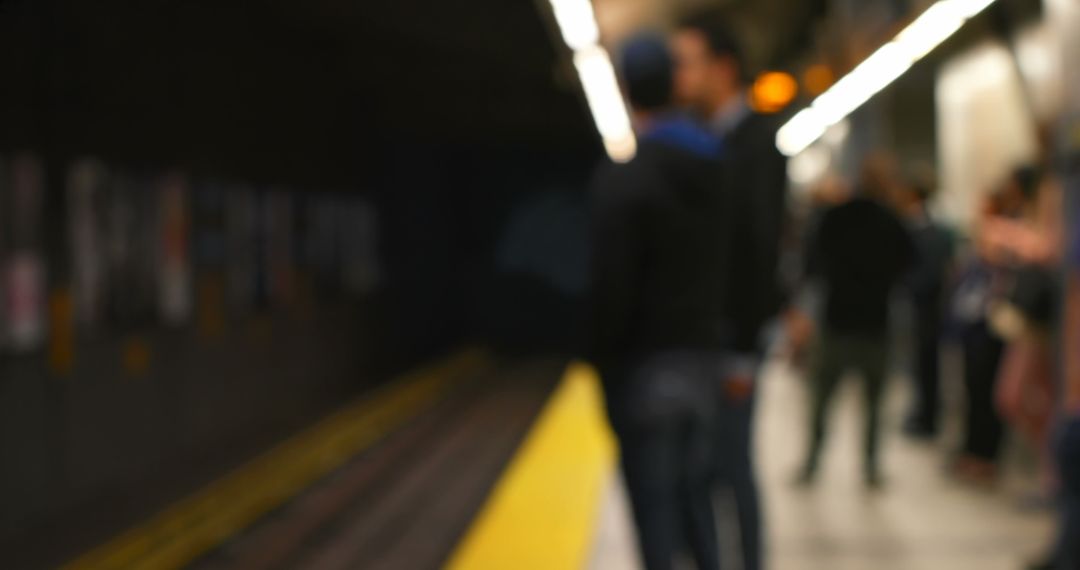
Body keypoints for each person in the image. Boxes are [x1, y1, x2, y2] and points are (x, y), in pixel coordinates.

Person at [589, 34, 736, 570]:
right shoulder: (719, 170)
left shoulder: (624, 180)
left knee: (655, 515)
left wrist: (602, 361)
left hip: (646, 370)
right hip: (705, 363)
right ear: (676, 84)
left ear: (626, 90)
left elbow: (611, 289)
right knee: (698, 503)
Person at [671, 15, 787, 570]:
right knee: (703, 468)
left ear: (723, 68)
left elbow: (759, 251)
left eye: (687, 63)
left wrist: (744, 347)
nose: (679, 75)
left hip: (732, 337)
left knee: (731, 466)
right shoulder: (707, 139)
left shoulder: (756, 144)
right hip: (706, 335)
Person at [797, 154, 915, 488]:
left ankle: (812, 462)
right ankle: (871, 467)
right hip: (875, 323)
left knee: (822, 399)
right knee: (874, 404)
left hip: (837, 320)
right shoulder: (893, 221)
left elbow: (813, 263)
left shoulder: (835, 217)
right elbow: (909, 266)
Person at [895, 171, 954, 439]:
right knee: (920, 363)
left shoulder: (926, 227)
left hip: (927, 304)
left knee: (926, 362)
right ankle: (922, 413)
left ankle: (927, 417)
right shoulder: (926, 225)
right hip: (925, 302)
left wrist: (908, 284)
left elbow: (929, 269)